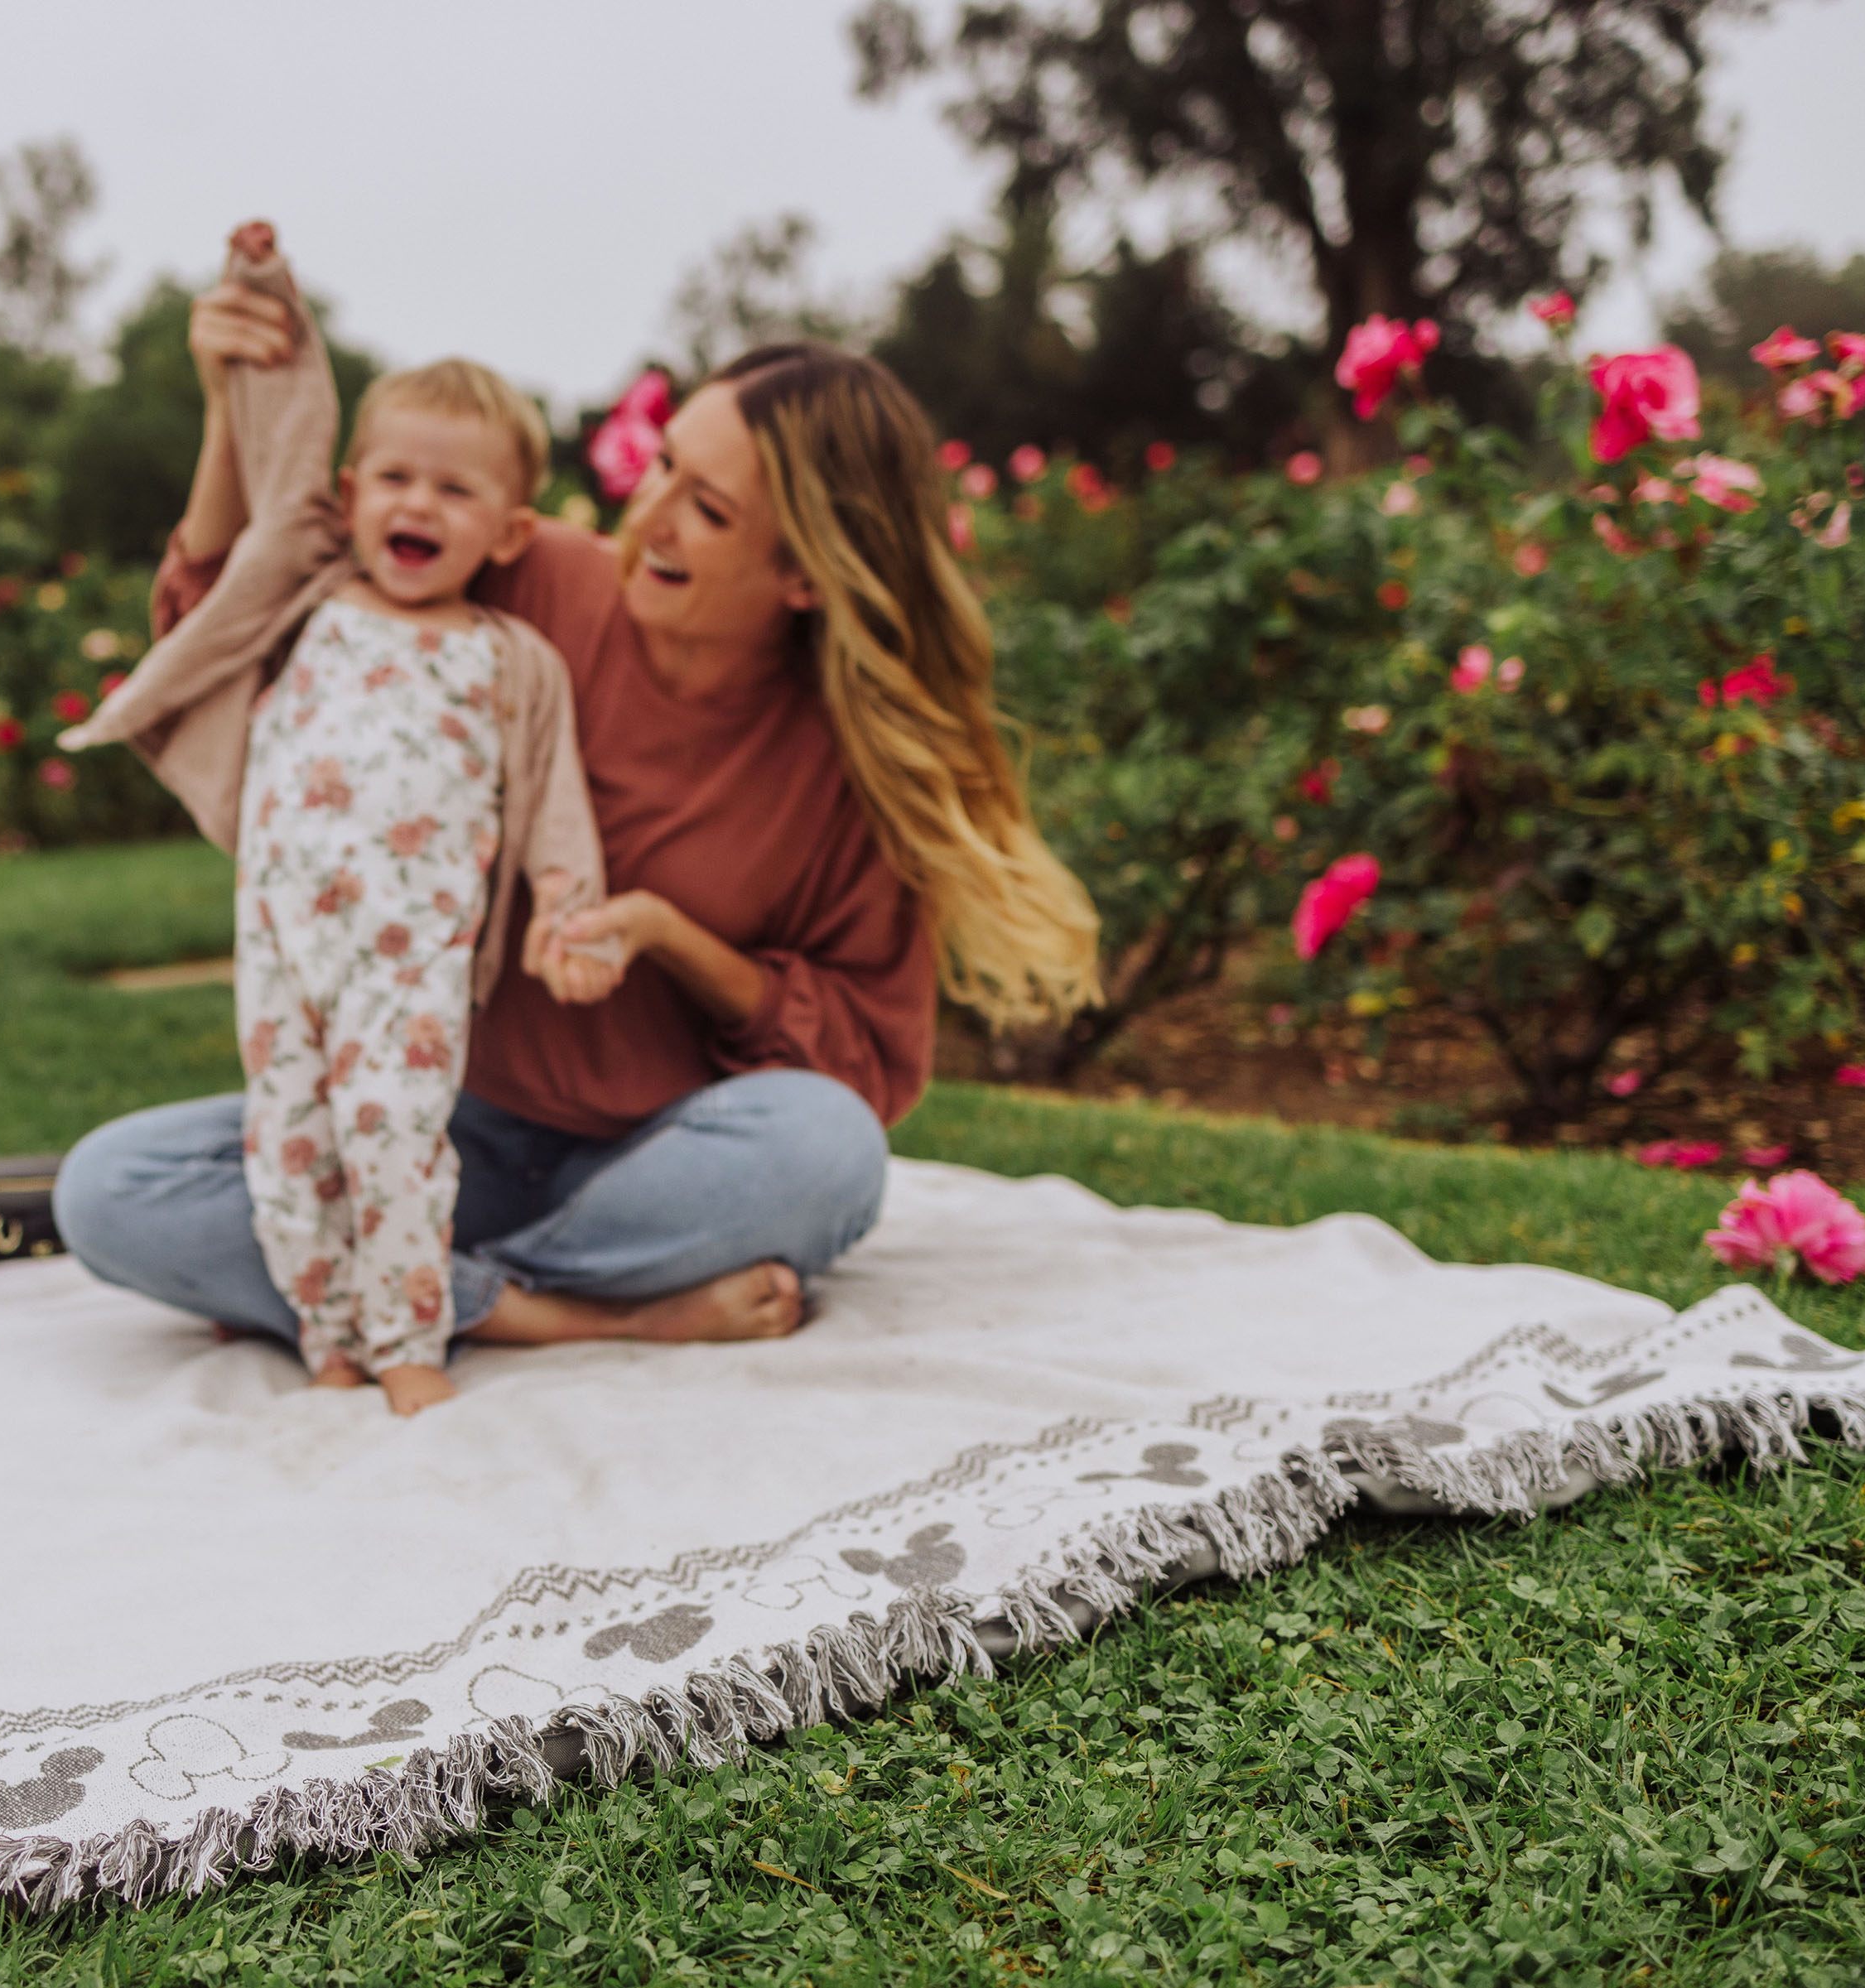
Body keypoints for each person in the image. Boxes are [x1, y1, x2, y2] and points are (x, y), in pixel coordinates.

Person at [55, 224, 1101, 1359]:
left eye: (709, 509)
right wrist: (228, 409)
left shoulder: (851, 770)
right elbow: (247, 622)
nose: (648, 517)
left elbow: (859, 1063)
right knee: (115, 1189)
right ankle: (583, 1311)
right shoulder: (526, 571)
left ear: (804, 572)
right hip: (428, 1109)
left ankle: (399, 1283)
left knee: (828, 1154)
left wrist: (665, 937)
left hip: (662, 1156)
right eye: (663, 468)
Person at [60, 227, 615, 1417]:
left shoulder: (508, 661)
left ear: (509, 534)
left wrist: (567, 914)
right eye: (398, 479)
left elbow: (557, 808)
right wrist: (263, 293)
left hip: (407, 957)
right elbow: (283, 427)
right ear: (353, 500)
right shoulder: (305, 602)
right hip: (283, 936)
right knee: (290, 1137)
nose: (420, 503)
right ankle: (327, 1328)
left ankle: (411, 1337)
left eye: (457, 490)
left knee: (396, 1132)